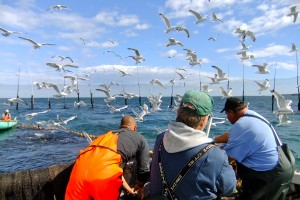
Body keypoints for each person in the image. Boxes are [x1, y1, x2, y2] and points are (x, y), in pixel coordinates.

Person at [149, 89, 237, 199]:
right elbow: (229, 188)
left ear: (178, 112)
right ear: (205, 120)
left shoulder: (160, 139)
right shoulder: (215, 155)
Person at [214, 97, 294, 200]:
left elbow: (227, 158)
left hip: (269, 174)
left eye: (227, 114)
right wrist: (215, 139)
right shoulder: (253, 116)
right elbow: (246, 138)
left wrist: (211, 150)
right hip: (285, 165)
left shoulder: (241, 125)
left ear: (231, 112)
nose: (228, 118)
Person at [65, 115, 150, 200]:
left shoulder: (105, 136)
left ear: (120, 127)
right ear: (135, 128)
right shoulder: (140, 138)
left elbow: (107, 164)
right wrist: (139, 186)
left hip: (77, 174)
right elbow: (144, 169)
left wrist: (128, 189)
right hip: (102, 179)